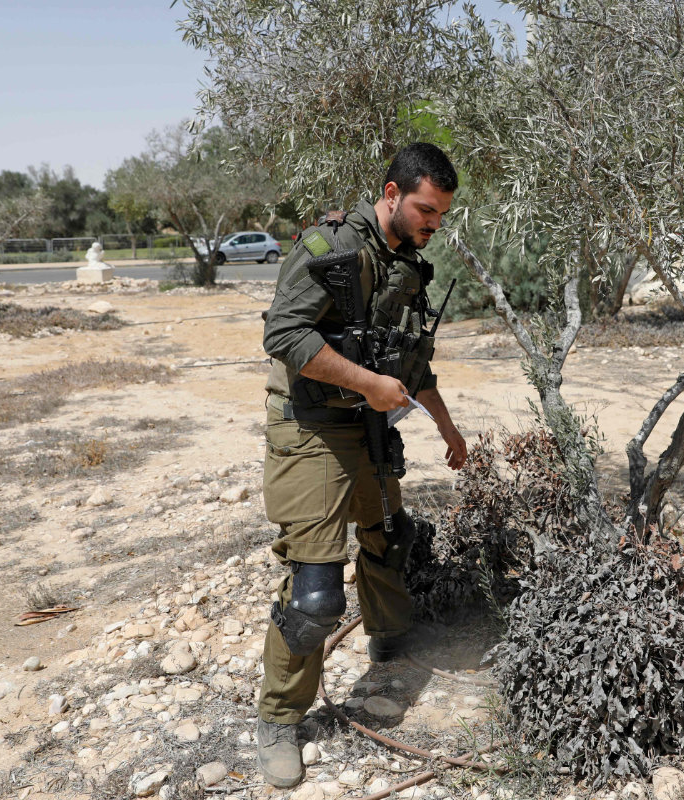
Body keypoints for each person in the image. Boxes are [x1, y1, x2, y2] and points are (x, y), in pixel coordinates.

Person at [256, 142, 468, 788]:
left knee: (391, 540)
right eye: (426, 211)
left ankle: (389, 642)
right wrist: (366, 384)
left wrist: (446, 425)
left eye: (441, 216)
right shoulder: (329, 250)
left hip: (371, 422)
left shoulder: (405, 263)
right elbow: (285, 337)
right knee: (316, 594)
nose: (434, 225)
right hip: (314, 427)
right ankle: (278, 719)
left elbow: (409, 361)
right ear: (391, 192)